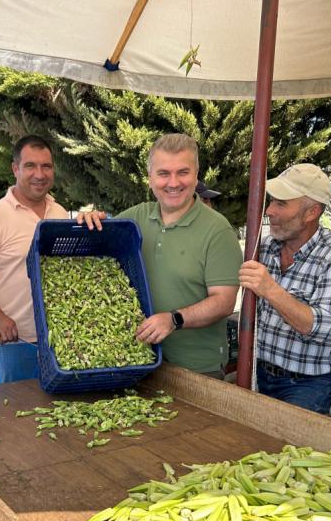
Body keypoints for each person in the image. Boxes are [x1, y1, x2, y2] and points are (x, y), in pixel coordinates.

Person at [81, 133, 242, 377]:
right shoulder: (135, 218)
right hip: (137, 357)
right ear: (150, 178)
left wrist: (173, 319)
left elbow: (224, 302)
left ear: (196, 175)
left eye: (183, 172)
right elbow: (95, 251)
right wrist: (90, 220)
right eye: (163, 173)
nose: (173, 183)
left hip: (196, 367)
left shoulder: (217, 230)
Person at [239, 164, 331, 414]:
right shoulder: (267, 247)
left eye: (281, 203)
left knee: (287, 440)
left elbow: (322, 327)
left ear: (311, 213)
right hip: (261, 372)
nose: (269, 211)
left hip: (308, 384)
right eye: (271, 201)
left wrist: (270, 289)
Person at [0, 135, 71, 382]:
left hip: (57, 336)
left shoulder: (59, 212)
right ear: (15, 169)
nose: (39, 174)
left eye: (46, 166)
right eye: (30, 166)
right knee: (19, 403)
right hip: (15, 340)